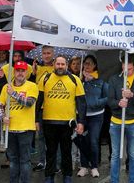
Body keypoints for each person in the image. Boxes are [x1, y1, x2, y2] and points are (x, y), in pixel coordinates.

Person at [36, 55, 86, 183]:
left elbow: (81, 103)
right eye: (58, 64)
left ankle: (67, 176)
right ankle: (49, 177)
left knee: (66, 152)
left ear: (67, 65)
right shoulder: (45, 78)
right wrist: (36, 120)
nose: (60, 66)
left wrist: (81, 122)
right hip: (49, 122)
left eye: (62, 64)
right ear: (54, 64)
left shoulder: (75, 80)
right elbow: (39, 100)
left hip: (67, 123)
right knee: (50, 152)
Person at [108, 55, 134, 183]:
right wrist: (118, 103)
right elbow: (109, 101)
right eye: (125, 68)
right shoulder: (114, 79)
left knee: (133, 154)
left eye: (129, 69)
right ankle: (114, 181)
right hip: (116, 121)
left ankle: (133, 180)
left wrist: (132, 95)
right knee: (115, 155)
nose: (127, 71)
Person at [0, 61, 38, 183]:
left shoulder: (32, 86)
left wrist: (13, 94)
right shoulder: (6, 87)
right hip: (9, 129)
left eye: (23, 71)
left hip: (25, 129)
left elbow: (29, 103)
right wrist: (3, 117)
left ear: (26, 72)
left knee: (25, 161)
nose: (20, 73)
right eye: (18, 70)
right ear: (14, 72)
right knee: (13, 160)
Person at [77, 55, 108, 178]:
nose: (87, 66)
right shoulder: (80, 80)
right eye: (85, 63)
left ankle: (94, 166)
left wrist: (96, 103)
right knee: (82, 141)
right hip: (82, 116)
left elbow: (107, 97)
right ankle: (84, 166)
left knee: (94, 141)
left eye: (89, 63)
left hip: (96, 116)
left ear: (95, 65)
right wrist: (83, 81)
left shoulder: (100, 80)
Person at [32, 45, 55, 172]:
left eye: (49, 53)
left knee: (52, 137)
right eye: (44, 53)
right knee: (40, 136)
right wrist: (34, 73)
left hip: (53, 106)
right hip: (40, 107)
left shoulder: (57, 67)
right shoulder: (37, 68)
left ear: (53, 54)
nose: (46, 55)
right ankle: (42, 161)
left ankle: (53, 162)